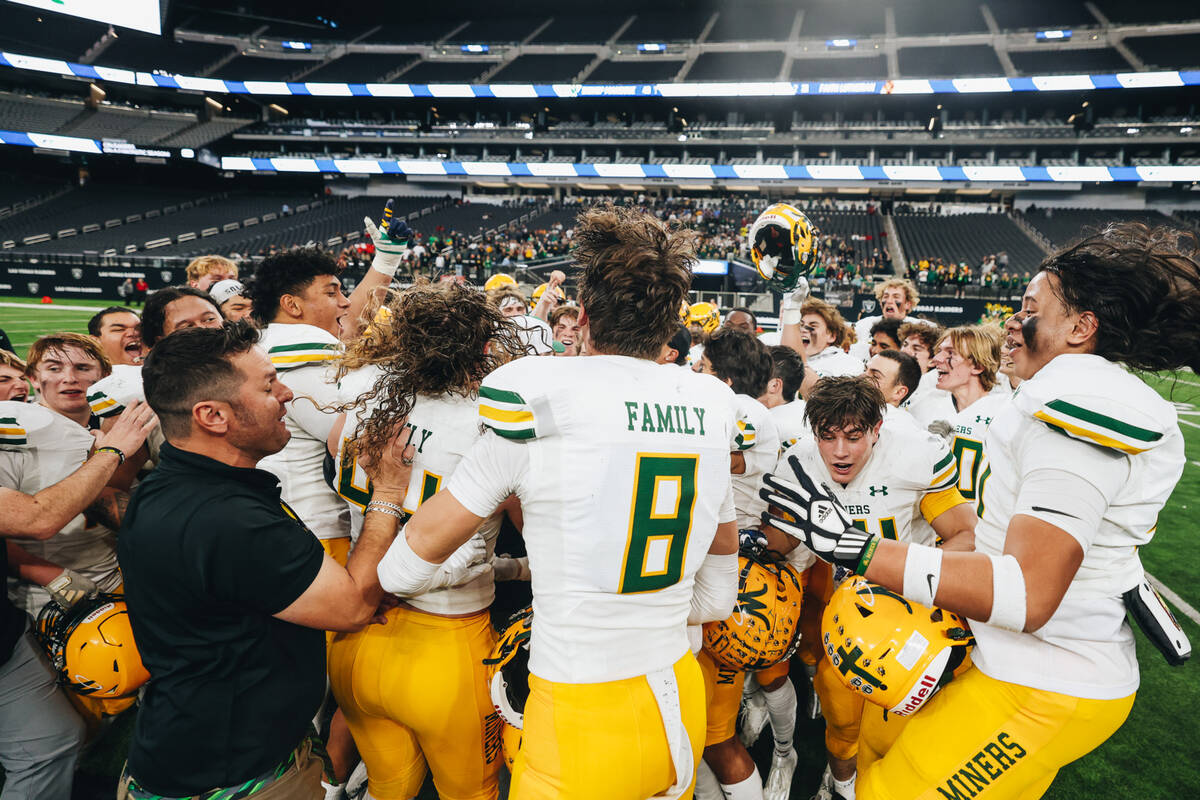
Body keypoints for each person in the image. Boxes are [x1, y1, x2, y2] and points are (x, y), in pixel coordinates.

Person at [762, 222, 1196, 800]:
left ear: (1080, 328)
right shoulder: (1059, 395)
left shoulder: (1080, 404)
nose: (1013, 323)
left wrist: (859, 548)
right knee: (874, 753)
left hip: (1048, 678)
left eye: (1029, 308)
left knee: (888, 790)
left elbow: (1029, 593)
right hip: (1019, 658)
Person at [372, 205, 741, 800]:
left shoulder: (537, 399)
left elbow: (401, 570)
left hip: (579, 710)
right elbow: (719, 595)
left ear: (585, 317)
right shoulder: (712, 404)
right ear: (669, 321)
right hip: (679, 696)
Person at [117, 322, 415, 800]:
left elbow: (238, 599)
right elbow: (354, 607)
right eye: (268, 383)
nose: (286, 392)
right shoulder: (230, 519)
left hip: (194, 747)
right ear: (212, 415)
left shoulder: (175, 486)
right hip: (239, 778)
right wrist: (388, 492)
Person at [326, 283, 527, 800]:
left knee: (390, 786)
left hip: (358, 634)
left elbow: (334, 456)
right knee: (471, 793)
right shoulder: (492, 420)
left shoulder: (365, 397)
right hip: (447, 643)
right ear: (486, 346)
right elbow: (532, 528)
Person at [761, 376, 975, 800]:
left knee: (905, 724)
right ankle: (841, 786)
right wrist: (756, 538)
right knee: (841, 721)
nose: (841, 451)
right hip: (844, 615)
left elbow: (964, 536)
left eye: (854, 437)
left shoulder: (913, 455)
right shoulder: (799, 461)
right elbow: (785, 540)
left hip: (911, 614)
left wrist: (914, 588)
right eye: (828, 436)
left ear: (877, 429)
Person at [0, 400, 156, 800]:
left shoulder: (44, 432)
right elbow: (37, 518)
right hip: (34, 604)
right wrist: (111, 450)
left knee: (53, 737)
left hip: (7, 637)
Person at [694, 328, 781, 800]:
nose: (694, 376)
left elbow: (701, 457)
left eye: (703, 369)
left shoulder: (742, 412)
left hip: (732, 576)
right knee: (699, 734)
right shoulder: (745, 411)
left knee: (715, 736)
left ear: (723, 379)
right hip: (726, 568)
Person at [5, 334, 128, 615]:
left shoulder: (110, 433)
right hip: (44, 600)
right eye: (54, 368)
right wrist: (51, 576)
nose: (69, 378)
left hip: (115, 582)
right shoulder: (16, 430)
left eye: (82, 368)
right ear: (33, 379)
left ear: (104, 378)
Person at [928, 325, 1009, 513]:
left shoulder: (1005, 411)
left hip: (989, 528)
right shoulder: (925, 406)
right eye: (939, 352)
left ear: (978, 366)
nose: (936, 359)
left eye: (950, 353)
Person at [849, 279, 922, 362]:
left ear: (908, 304)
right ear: (880, 303)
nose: (889, 301)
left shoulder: (918, 329)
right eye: (886, 296)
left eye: (896, 297)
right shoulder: (864, 325)